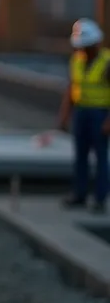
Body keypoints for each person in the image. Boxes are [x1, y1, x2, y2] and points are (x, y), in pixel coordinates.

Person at [59, 17, 110, 214]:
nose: (83, 51)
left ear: (96, 43)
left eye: (86, 47)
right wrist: (64, 115)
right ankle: (79, 194)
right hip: (81, 113)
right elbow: (71, 88)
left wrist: (108, 121)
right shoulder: (77, 60)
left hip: (100, 113)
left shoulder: (107, 63)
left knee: (101, 157)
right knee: (80, 156)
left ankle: (99, 198)